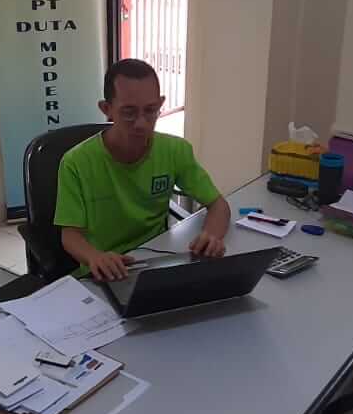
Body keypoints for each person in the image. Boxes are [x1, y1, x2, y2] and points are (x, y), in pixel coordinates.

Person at [55, 59, 231, 281]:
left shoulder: (175, 150)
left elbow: (218, 205)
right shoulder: (76, 163)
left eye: (150, 110)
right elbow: (70, 235)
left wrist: (212, 237)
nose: (141, 123)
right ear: (107, 109)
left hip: (157, 262)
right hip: (104, 270)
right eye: (129, 112)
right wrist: (94, 257)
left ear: (160, 104)